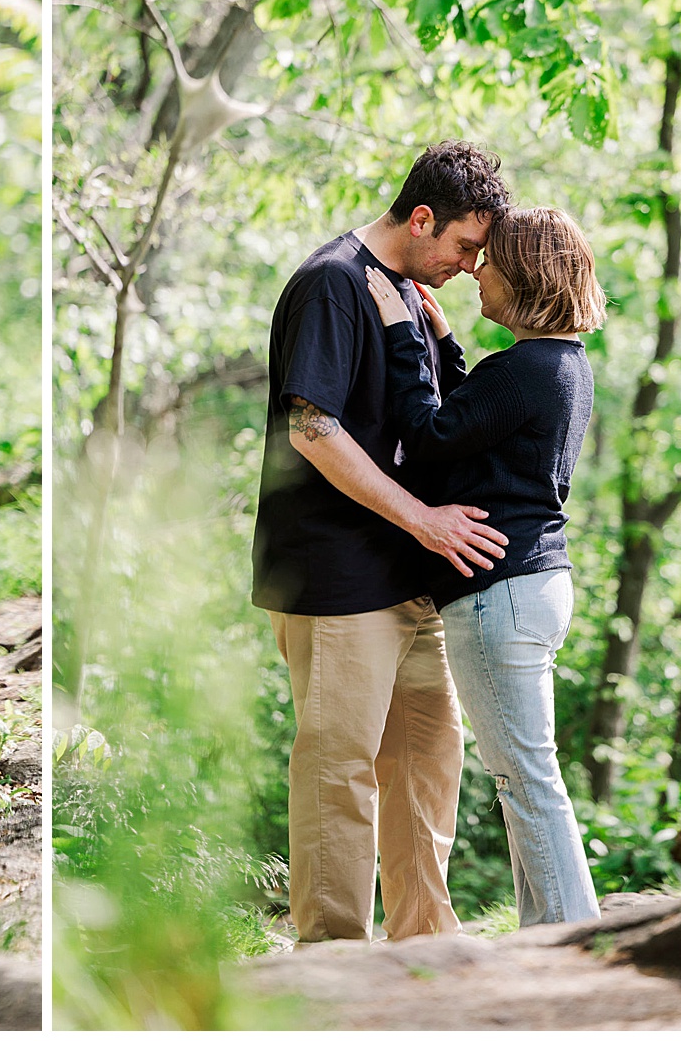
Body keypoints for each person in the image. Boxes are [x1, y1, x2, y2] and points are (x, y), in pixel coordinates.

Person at [253, 141, 514, 944]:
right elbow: (313, 428)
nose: (470, 266)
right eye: (465, 246)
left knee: (431, 762)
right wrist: (424, 519)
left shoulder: (403, 289)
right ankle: (332, 958)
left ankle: (423, 948)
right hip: (335, 576)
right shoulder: (333, 282)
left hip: (409, 579)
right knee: (339, 775)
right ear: (423, 217)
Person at [363, 208, 604, 928]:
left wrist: (403, 333)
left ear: (527, 273)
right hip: (535, 586)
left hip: (501, 597)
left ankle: (574, 944)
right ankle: (547, 937)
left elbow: (432, 436)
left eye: (490, 261)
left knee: (527, 779)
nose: (476, 271)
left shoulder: (526, 370)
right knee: (525, 777)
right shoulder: (561, 365)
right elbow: (481, 419)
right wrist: (444, 339)